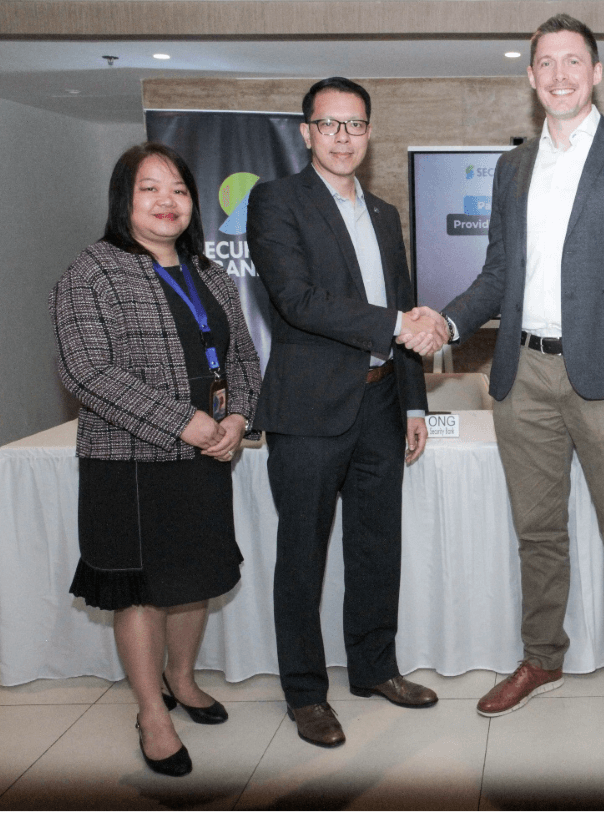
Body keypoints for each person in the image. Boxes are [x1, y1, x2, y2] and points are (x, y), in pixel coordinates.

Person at [403, 14, 604, 740]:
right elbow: (498, 273)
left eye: (573, 61)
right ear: (530, 78)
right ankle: (542, 657)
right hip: (520, 374)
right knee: (539, 533)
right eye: (545, 63)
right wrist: (446, 321)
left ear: (595, 73)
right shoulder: (513, 166)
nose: (559, 74)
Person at [51, 142, 261, 777]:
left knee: (194, 577)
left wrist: (236, 417)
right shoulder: (92, 272)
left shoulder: (210, 273)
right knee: (139, 590)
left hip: (206, 454)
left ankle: (183, 680)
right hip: (129, 461)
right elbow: (86, 372)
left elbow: (245, 358)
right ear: (125, 200)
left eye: (178, 189)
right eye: (150, 189)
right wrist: (186, 422)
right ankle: (152, 712)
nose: (167, 201)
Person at [246, 76, 443, 749]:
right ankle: (305, 695)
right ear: (305, 132)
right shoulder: (275, 202)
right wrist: (397, 322)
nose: (341, 137)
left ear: (369, 132)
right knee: (301, 556)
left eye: (354, 125)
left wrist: (414, 401)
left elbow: (405, 302)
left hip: (382, 402)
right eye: (328, 124)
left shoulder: (385, 214)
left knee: (374, 546)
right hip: (307, 410)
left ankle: (374, 668)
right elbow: (297, 300)